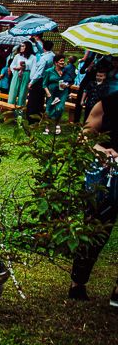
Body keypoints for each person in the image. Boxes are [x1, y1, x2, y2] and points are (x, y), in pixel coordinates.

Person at [68, 85, 118, 306]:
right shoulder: (110, 103)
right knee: (96, 228)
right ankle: (78, 282)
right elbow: (84, 136)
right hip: (106, 175)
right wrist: (100, 149)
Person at [26, 40, 55, 122]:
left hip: (39, 81)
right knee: (40, 100)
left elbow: (39, 72)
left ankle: (32, 118)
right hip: (47, 79)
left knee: (33, 100)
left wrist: (31, 82)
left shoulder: (44, 58)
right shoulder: (52, 56)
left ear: (43, 47)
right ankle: (39, 116)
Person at [43, 55, 68, 133]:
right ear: (55, 62)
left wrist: (67, 85)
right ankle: (47, 125)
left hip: (62, 92)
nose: (63, 62)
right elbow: (44, 84)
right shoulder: (49, 71)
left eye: (63, 60)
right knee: (49, 108)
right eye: (61, 61)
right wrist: (47, 93)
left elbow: (70, 81)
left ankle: (57, 124)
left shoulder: (65, 71)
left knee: (59, 108)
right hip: (51, 92)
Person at [7, 41, 36, 107]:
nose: (21, 47)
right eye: (21, 46)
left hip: (26, 74)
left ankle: (20, 110)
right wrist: (17, 68)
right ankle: (10, 108)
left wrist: (31, 81)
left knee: (23, 93)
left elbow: (33, 69)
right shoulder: (18, 56)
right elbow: (12, 66)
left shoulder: (33, 57)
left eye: (23, 46)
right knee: (13, 91)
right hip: (17, 74)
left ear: (27, 47)